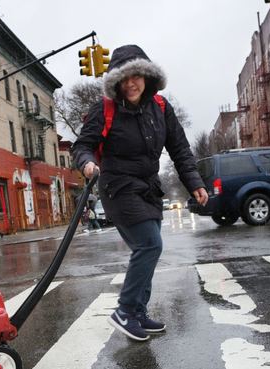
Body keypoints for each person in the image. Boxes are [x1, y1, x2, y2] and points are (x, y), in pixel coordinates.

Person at [72, 44, 208, 342]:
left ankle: (138, 313)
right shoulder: (104, 109)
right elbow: (82, 145)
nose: (131, 83)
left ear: (147, 77)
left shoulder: (160, 107)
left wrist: (194, 182)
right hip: (118, 188)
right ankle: (124, 310)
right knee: (150, 244)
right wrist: (87, 163)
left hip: (148, 188)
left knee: (145, 249)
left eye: (137, 76)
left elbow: (180, 149)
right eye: (124, 78)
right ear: (116, 82)